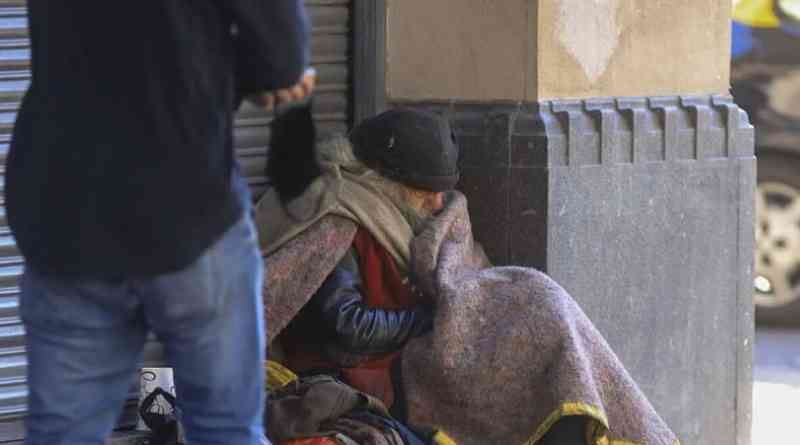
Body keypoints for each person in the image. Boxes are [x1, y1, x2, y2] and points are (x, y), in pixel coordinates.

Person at [257, 109, 679, 445]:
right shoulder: (337, 219)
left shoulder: (407, 215)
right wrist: (440, 319)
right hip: (377, 370)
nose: (439, 203)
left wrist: (473, 310)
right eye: (425, 192)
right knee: (521, 371)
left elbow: (462, 277)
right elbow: (348, 327)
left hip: (422, 348)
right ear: (384, 181)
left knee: (543, 320)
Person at [5, 1, 314, 444]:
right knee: (225, 428)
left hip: (68, 212)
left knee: (63, 433)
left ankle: (157, 427)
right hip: (187, 210)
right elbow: (280, 55)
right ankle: (158, 426)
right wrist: (243, 78)